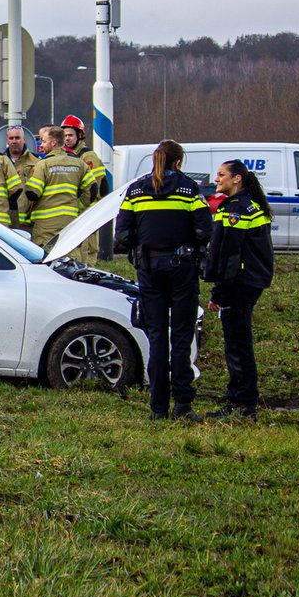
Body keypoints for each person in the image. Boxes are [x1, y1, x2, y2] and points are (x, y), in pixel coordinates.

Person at [114, 140, 212, 421]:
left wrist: (142, 244)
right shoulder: (189, 189)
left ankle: (157, 408)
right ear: (178, 162)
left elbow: (122, 234)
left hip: (148, 269)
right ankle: (182, 404)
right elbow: (205, 229)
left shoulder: (136, 189)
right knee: (181, 337)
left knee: (156, 339)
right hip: (182, 268)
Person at [202, 159, 274, 420]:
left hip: (240, 283)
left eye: (221, 175)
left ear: (237, 179)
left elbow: (231, 255)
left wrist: (219, 292)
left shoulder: (237, 210)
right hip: (249, 280)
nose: (217, 178)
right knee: (238, 342)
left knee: (237, 345)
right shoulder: (243, 205)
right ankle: (239, 401)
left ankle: (244, 405)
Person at [23, 126, 91, 247]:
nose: (42, 145)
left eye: (44, 141)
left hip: (46, 225)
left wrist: (26, 181)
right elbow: (92, 190)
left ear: (53, 142)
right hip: (70, 220)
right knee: (69, 255)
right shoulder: (79, 163)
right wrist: (78, 207)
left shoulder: (43, 164)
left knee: (47, 259)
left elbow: (33, 193)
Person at [62, 114, 111, 262]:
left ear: (80, 135)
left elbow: (96, 188)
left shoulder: (88, 157)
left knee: (87, 252)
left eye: (70, 135)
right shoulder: (63, 156)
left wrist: (81, 205)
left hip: (87, 212)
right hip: (71, 212)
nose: (67, 138)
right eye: (64, 135)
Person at [4, 126, 38, 229]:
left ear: (24, 139)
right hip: (6, 218)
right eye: (11, 138)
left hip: (28, 220)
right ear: (7, 141)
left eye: (17, 138)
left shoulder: (36, 162)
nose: (14, 141)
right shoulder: (0, 161)